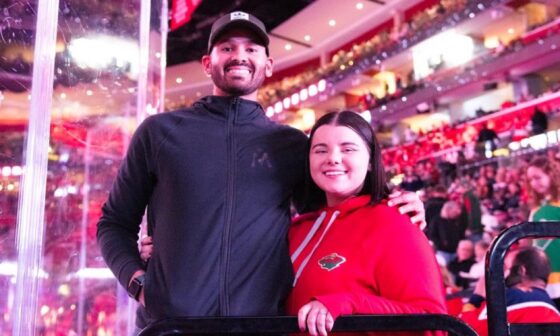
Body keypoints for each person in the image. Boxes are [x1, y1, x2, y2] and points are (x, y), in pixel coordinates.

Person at [97, 11, 426, 333]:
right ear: (207, 63)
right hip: (172, 326)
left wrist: (394, 202)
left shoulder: (292, 145)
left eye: (251, 49)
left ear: (268, 65)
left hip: (262, 325)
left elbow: (335, 215)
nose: (239, 55)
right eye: (227, 47)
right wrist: (139, 282)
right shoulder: (160, 132)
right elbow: (114, 222)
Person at [285, 111, 446, 336]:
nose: (333, 158)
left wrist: (349, 305)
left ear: (370, 161)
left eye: (348, 149)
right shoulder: (298, 229)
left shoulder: (394, 222)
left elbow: (432, 322)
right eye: (320, 150)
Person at [460, 247, 560, 336]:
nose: (503, 274)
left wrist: (477, 297)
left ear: (521, 270)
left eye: (506, 268)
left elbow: (464, 330)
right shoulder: (552, 308)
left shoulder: (513, 297)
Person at [526, 156, 560, 307]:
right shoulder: (536, 209)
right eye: (530, 179)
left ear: (551, 174)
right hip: (546, 276)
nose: (534, 183)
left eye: (537, 177)